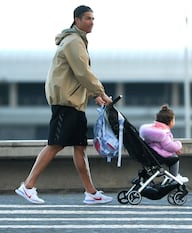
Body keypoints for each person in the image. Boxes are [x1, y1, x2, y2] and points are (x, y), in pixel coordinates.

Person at [15, 5, 113, 204]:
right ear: (76, 20)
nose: (91, 22)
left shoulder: (78, 41)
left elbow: (79, 74)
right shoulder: (73, 42)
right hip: (65, 102)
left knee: (79, 147)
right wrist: (100, 92)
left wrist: (95, 95)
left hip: (75, 103)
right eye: (87, 18)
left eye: (93, 18)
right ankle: (28, 186)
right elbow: (83, 72)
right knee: (55, 144)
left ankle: (91, 193)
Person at [139, 104, 189, 184]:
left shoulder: (154, 130)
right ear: (170, 122)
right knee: (174, 158)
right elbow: (168, 146)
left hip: (152, 153)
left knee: (172, 155)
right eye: (174, 120)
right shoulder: (163, 133)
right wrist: (178, 145)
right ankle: (174, 177)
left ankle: (173, 177)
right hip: (158, 156)